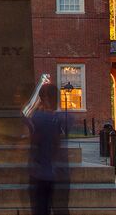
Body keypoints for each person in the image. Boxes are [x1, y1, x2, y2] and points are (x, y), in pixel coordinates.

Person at [27, 84, 67, 215]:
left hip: (41, 173)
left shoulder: (39, 118)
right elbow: (58, 143)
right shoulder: (59, 119)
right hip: (54, 173)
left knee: (41, 208)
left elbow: (35, 140)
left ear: (44, 98)